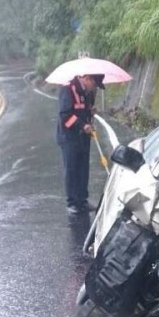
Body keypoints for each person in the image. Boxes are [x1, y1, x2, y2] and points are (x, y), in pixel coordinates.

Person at [56, 72, 105, 215]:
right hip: (69, 137)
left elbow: (83, 111)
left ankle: (82, 200)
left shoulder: (88, 92)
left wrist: (90, 112)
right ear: (87, 78)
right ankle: (72, 203)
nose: (94, 87)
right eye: (94, 84)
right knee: (71, 170)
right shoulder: (67, 89)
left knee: (83, 169)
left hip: (84, 137)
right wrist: (82, 126)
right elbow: (65, 115)